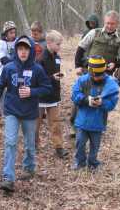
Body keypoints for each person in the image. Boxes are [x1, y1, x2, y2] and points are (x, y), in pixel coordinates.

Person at [0, 35, 52, 192]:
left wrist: (32, 91)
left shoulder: (37, 69)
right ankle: (8, 177)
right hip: (11, 110)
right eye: (20, 49)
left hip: (30, 112)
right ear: (16, 50)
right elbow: (0, 86)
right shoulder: (9, 67)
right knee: (10, 142)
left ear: (31, 50)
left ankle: (29, 167)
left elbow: (47, 88)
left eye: (26, 49)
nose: (23, 52)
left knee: (29, 144)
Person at [71, 55, 119, 171]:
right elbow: (74, 95)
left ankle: (92, 163)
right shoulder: (82, 80)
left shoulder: (110, 84)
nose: (98, 77)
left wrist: (102, 103)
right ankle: (80, 163)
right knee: (80, 144)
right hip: (82, 121)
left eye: (100, 75)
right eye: (95, 75)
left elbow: (112, 104)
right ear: (90, 72)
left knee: (95, 146)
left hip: (98, 122)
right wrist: (87, 100)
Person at [36, 30, 69, 158]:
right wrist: (51, 77)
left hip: (53, 96)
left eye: (60, 44)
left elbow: (55, 74)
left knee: (55, 123)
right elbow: (38, 78)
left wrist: (57, 77)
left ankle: (59, 147)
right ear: (49, 43)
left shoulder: (57, 58)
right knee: (35, 123)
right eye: (58, 44)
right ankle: (33, 145)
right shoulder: (40, 59)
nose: (60, 47)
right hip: (40, 97)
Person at [70, 13, 100, 138]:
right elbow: (80, 50)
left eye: (93, 23)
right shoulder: (86, 34)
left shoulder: (100, 35)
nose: (91, 25)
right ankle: (74, 125)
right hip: (84, 68)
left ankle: (90, 126)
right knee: (79, 97)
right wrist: (79, 66)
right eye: (90, 23)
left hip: (96, 70)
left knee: (94, 98)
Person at [74, 10, 120, 77]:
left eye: (112, 24)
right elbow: (80, 48)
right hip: (89, 71)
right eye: (107, 23)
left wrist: (115, 64)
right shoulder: (94, 32)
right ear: (104, 22)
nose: (109, 26)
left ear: (117, 24)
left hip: (106, 74)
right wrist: (78, 66)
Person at [0, 21, 18, 127]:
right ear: (6, 33)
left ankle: (12, 115)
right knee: (0, 94)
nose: (13, 35)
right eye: (11, 32)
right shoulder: (1, 43)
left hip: (15, 73)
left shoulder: (18, 41)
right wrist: (15, 61)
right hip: (2, 72)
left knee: (13, 93)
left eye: (14, 32)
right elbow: (3, 59)